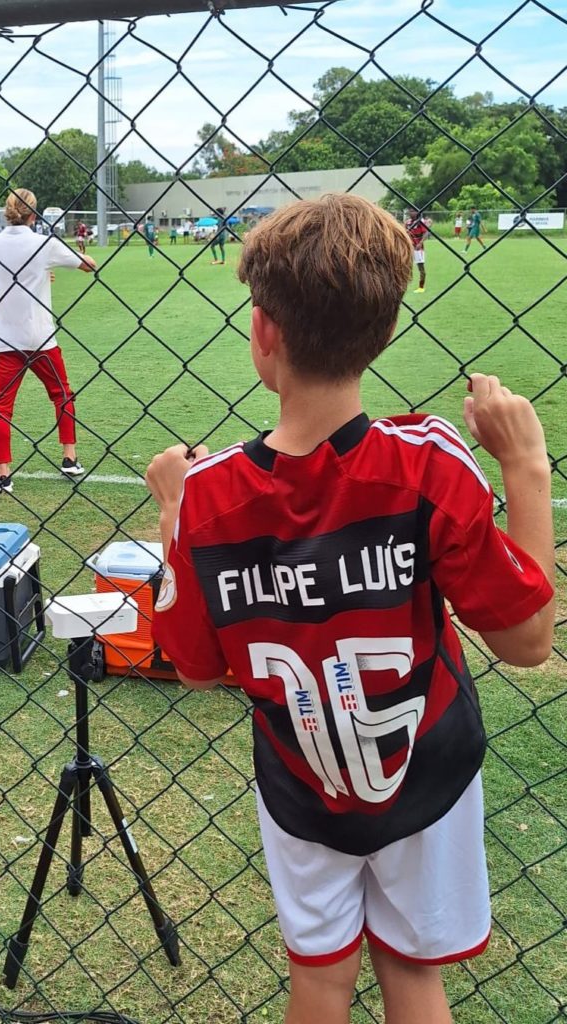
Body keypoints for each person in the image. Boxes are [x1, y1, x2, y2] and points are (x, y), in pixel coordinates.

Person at [147, 193, 553, 1024]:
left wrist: (170, 516)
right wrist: (527, 469)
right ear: (383, 329)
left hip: (301, 780)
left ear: (263, 331)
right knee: (412, 976)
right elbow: (528, 639)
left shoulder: (209, 497)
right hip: (424, 775)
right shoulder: (429, 466)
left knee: (322, 980)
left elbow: (193, 669)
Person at [0, 188, 97, 493]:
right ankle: (69, 457)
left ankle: (3, 474)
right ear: (34, 214)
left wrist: (40, 275)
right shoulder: (44, 244)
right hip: (41, 337)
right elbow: (88, 264)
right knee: (62, 394)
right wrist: (51, 268)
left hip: (4, 338)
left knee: (1, 406)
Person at [405, 207, 428, 292]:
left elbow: (426, 233)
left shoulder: (420, 222)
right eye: (409, 211)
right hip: (409, 247)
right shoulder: (408, 222)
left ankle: (421, 287)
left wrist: (420, 243)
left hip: (418, 248)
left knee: (420, 267)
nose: (411, 213)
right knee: (406, 265)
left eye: (412, 211)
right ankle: (406, 282)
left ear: (417, 212)